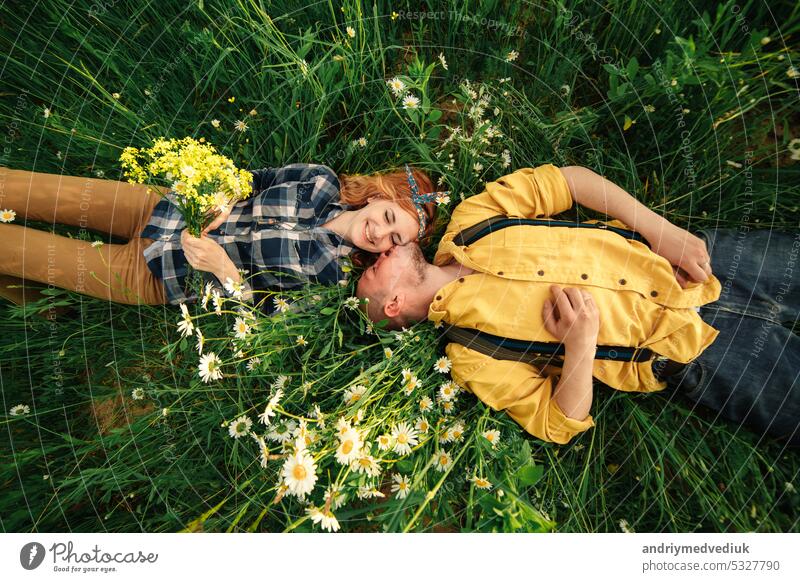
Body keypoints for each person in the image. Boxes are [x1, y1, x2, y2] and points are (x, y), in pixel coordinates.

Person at [357, 164, 800, 446]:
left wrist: (660, 230)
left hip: (695, 261)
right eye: (374, 271)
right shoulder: (472, 356)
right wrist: (580, 344)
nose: (380, 254)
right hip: (699, 352)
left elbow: (571, 181)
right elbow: (559, 423)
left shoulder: (472, 220)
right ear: (394, 304)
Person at [0, 162, 441, 313]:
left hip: (158, 275)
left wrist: (226, 272)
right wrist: (228, 195)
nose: (380, 233)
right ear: (378, 195)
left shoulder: (335, 278)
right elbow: (253, 177)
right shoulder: (320, 181)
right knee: (29, 189)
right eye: (387, 216)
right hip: (162, 207)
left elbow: (265, 316)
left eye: (393, 239)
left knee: (15, 251)